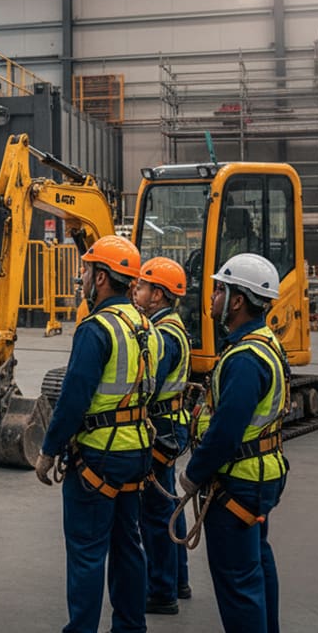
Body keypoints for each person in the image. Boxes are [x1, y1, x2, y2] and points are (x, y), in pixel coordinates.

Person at [33, 236, 158, 633]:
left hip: (98, 457)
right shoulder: (146, 327)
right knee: (128, 546)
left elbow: (73, 398)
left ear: (102, 277)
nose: (82, 276)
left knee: (87, 553)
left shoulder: (96, 329)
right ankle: (130, 627)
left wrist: (49, 450)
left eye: (87, 270)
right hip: (136, 453)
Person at [180, 253, 289, 633]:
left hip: (237, 482)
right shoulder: (264, 343)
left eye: (219, 289)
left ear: (238, 300)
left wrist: (193, 473)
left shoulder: (244, 359)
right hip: (259, 477)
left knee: (238, 582)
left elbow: (226, 431)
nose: (211, 297)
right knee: (256, 565)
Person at [130, 256, 193, 614]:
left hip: (162, 429)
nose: (136, 290)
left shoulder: (164, 335)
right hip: (171, 425)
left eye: (141, 285)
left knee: (154, 513)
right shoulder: (168, 326)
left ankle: (161, 591)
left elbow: (149, 385)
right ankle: (178, 579)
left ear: (158, 294)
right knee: (169, 505)